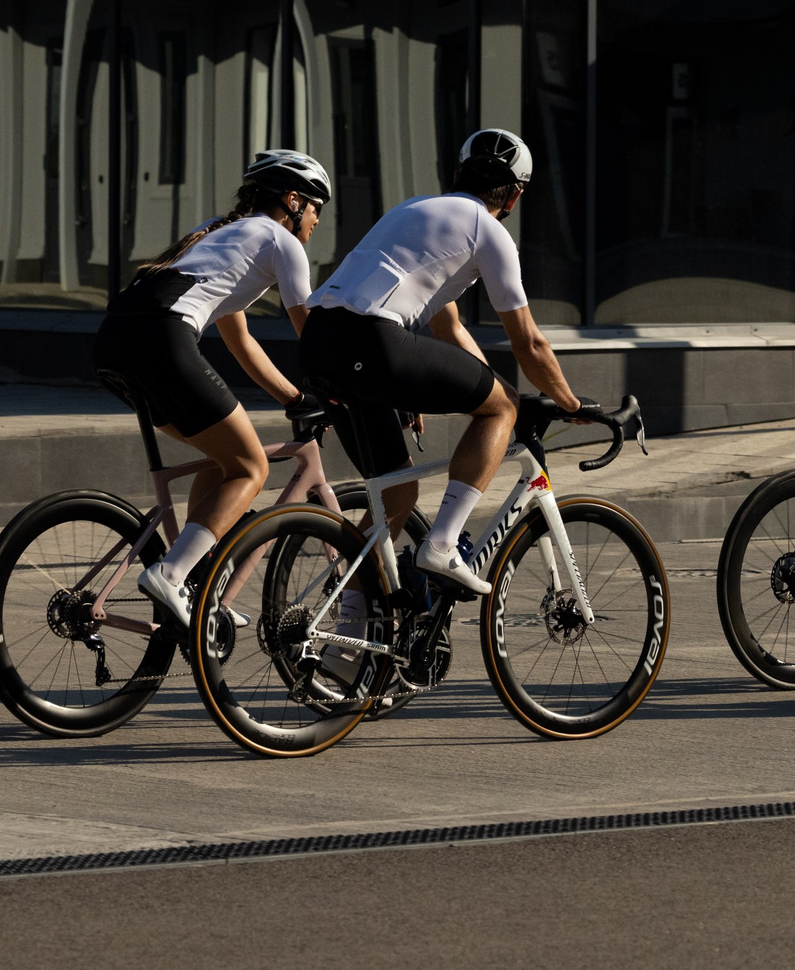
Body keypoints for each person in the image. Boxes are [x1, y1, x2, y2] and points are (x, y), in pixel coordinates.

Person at [298, 128, 596, 598]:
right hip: (372, 342)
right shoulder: (488, 231)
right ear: (515, 196)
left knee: (395, 495)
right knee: (501, 409)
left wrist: (490, 385)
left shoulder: (414, 210)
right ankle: (441, 543)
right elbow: (530, 345)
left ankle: (347, 634)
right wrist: (570, 404)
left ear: (457, 174)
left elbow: (449, 330)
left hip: (317, 341)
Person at [103, 151, 331, 627]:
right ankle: (173, 574)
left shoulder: (221, 232)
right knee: (252, 466)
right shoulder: (279, 241)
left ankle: (194, 579)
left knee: (225, 458)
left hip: (113, 341)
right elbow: (313, 335)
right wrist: (351, 388)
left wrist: (293, 398)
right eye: (315, 208)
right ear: (292, 201)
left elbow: (240, 342)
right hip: (163, 339)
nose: (315, 221)